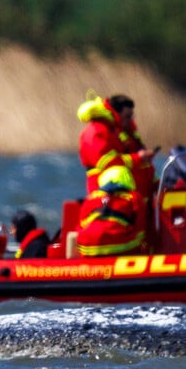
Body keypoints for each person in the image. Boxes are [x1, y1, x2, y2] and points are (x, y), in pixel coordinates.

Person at [74, 92, 157, 257]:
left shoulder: (123, 134)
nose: (131, 120)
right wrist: (138, 158)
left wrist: (159, 185)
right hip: (112, 199)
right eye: (127, 116)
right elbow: (107, 163)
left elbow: (144, 168)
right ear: (115, 112)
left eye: (132, 116)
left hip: (135, 203)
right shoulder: (96, 132)